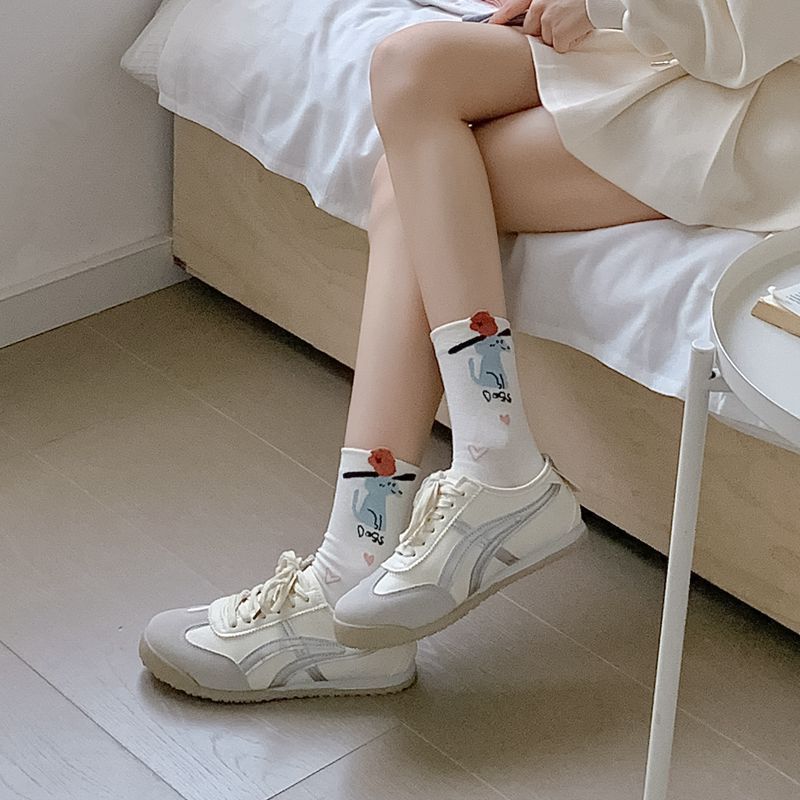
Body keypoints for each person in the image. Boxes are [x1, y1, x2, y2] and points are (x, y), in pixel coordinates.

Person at [138, 0, 800, 701]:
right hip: (672, 53)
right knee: (410, 65)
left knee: (411, 183)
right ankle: (493, 463)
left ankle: (362, 558)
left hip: (759, 94)